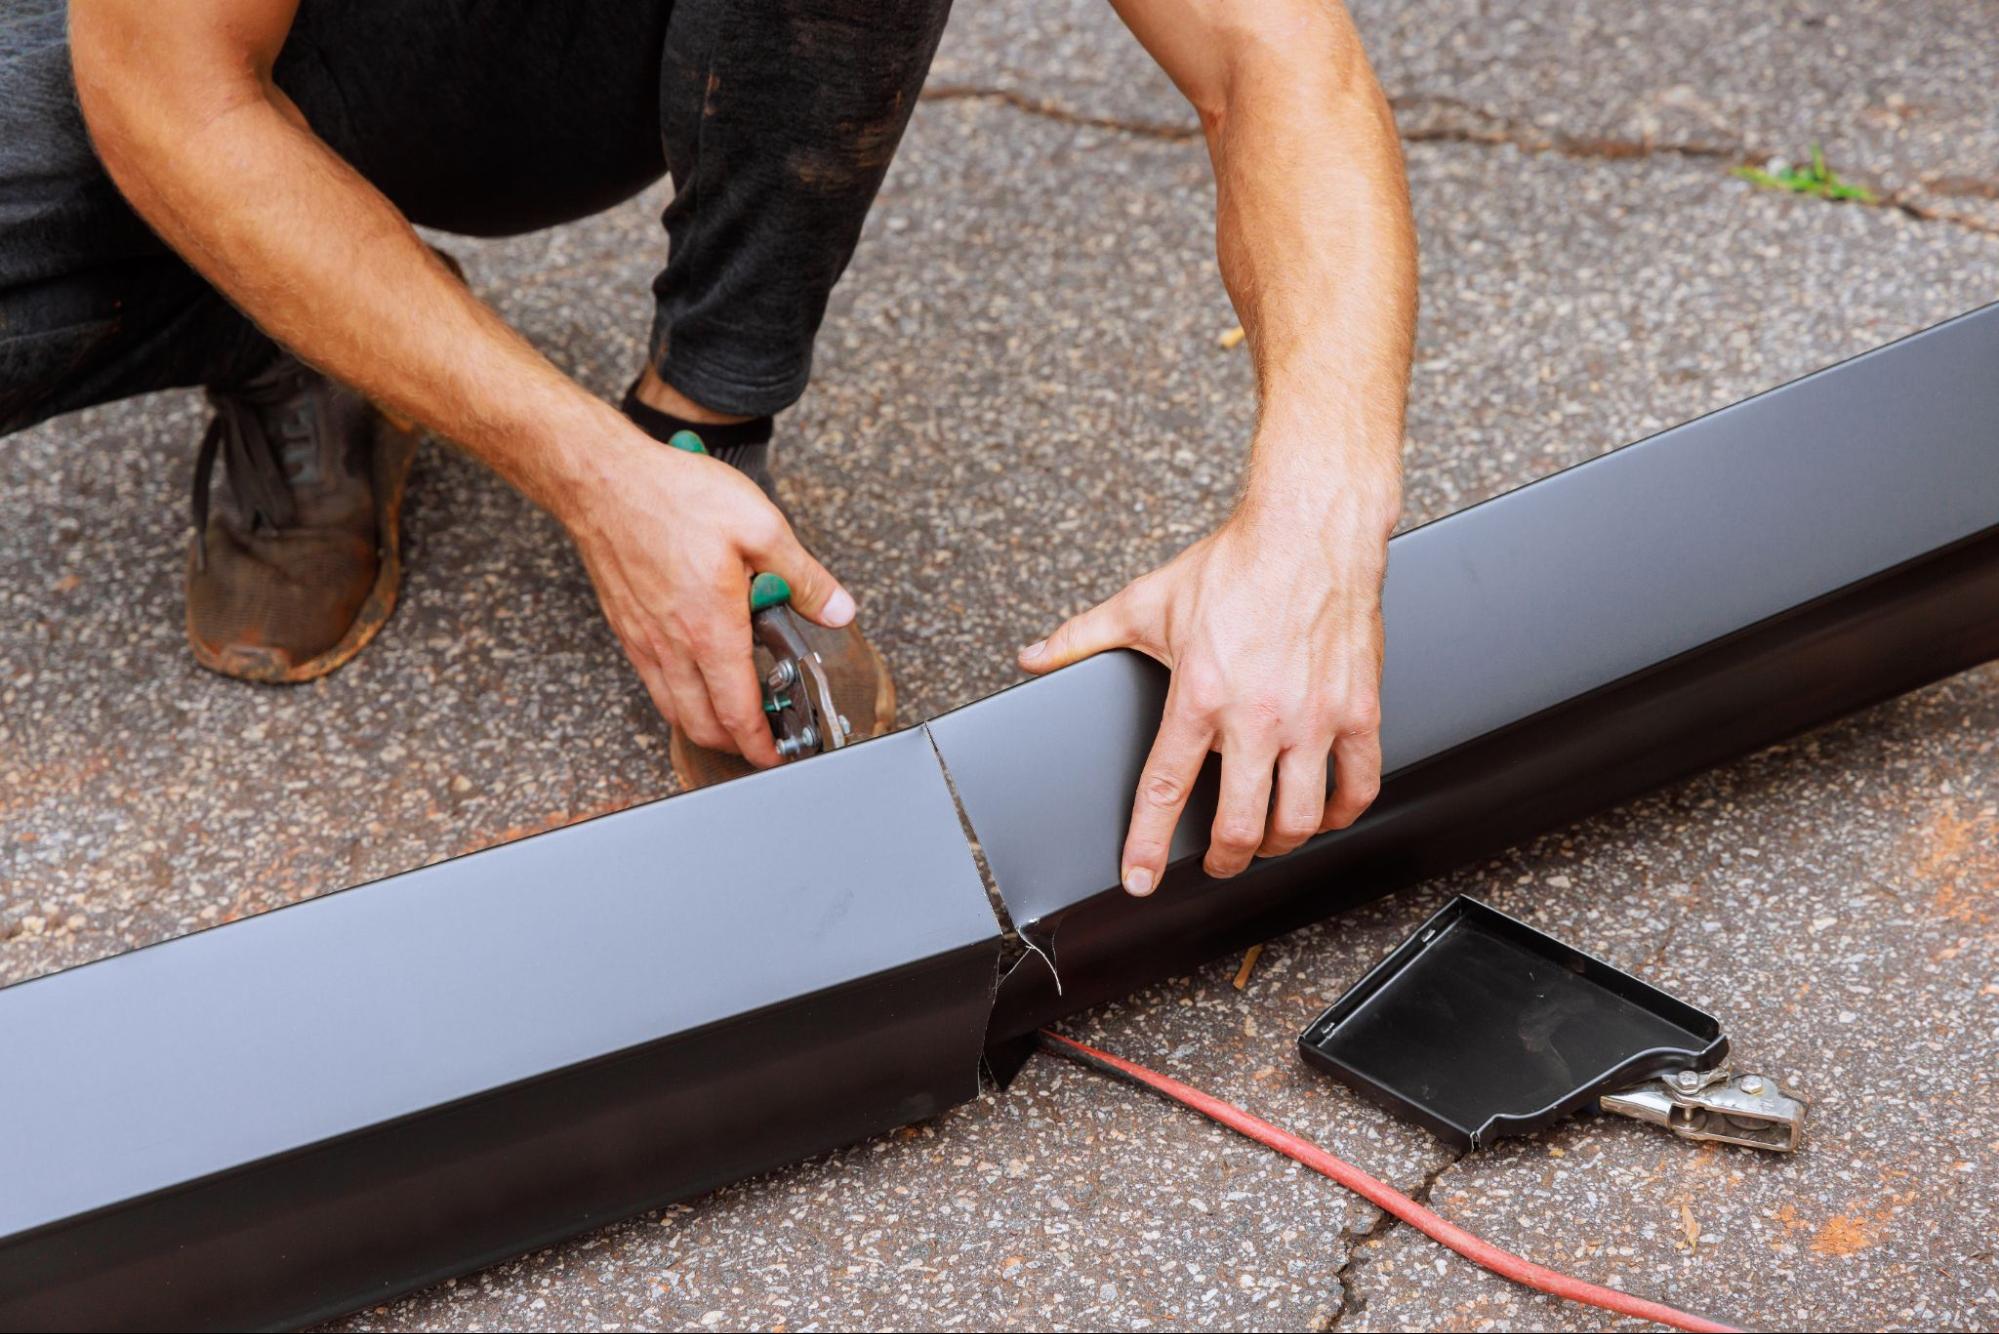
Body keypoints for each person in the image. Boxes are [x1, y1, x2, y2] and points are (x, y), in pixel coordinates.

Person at [2, 0, 1415, 896]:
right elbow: (168, 97)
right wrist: (584, 479)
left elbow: (1277, 52)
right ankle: (288, 329)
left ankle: (703, 428)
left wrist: (1313, 532)